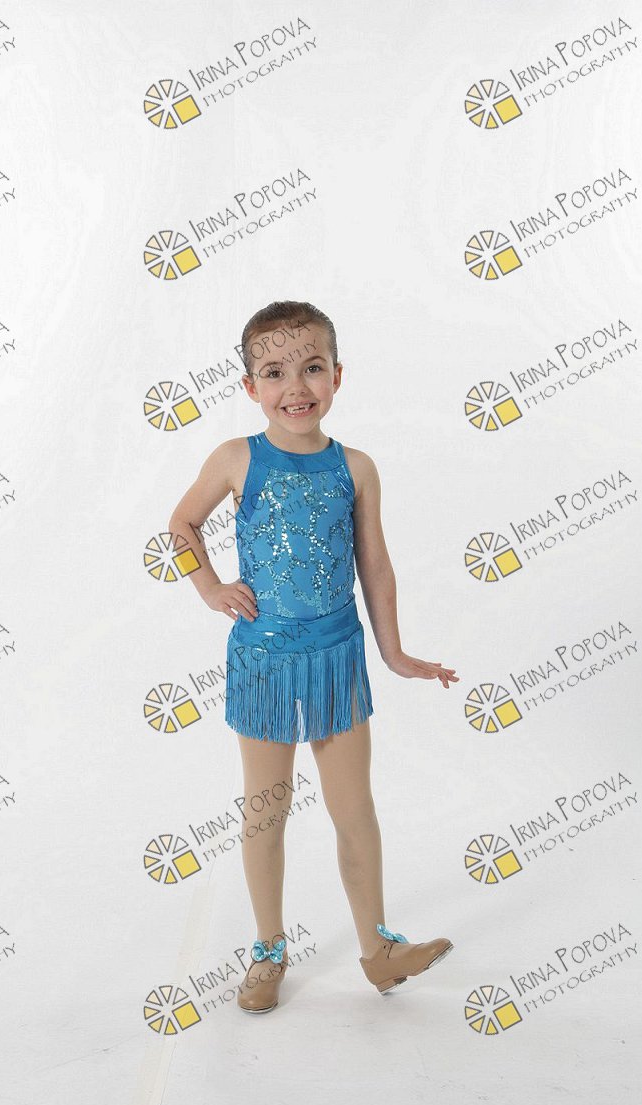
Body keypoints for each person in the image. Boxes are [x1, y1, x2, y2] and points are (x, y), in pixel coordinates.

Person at [168, 300, 459, 1014]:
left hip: (336, 660)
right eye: (274, 373)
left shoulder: (355, 468)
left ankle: (378, 950)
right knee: (266, 811)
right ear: (250, 387)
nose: (295, 387)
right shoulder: (236, 458)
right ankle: (269, 949)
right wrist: (211, 588)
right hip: (264, 662)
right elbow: (182, 523)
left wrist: (394, 653)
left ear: (337, 375)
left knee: (354, 807)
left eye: (312, 368)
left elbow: (375, 566)